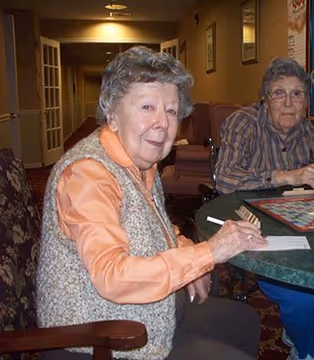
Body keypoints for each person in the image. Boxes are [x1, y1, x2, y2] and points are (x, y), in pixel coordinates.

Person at [36, 46, 267, 360]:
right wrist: (208, 253)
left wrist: (190, 255)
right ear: (112, 114)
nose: (163, 123)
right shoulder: (88, 175)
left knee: (246, 323)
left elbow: (153, 228)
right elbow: (112, 276)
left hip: (147, 313)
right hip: (102, 337)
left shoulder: (141, 164)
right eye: (147, 107)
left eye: (171, 111)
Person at [215, 57, 314, 360]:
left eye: (297, 94)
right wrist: (284, 175)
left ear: (305, 102)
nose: (288, 102)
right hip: (254, 224)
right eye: (279, 93)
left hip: (302, 222)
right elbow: (224, 178)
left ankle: (307, 343)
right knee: (302, 293)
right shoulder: (243, 122)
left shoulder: (306, 130)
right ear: (265, 98)